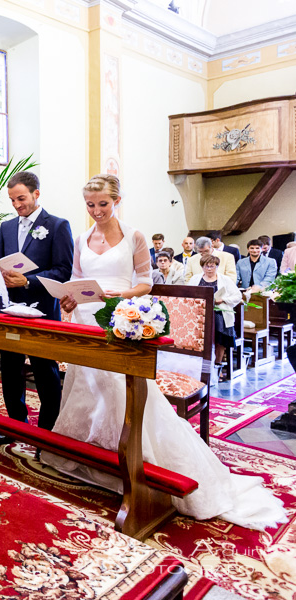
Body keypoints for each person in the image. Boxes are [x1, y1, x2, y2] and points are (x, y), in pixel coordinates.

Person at [42, 174, 285, 530]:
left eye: (103, 204)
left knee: (120, 391)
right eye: (90, 205)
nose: (96, 212)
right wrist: (69, 295)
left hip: (120, 318)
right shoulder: (81, 238)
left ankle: (135, 459)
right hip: (85, 317)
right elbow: (78, 278)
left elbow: (146, 281)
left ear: (117, 200)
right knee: (86, 388)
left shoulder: (134, 236)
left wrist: (118, 299)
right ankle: (91, 454)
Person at [0, 171, 73, 434]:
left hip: (43, 312)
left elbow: (63, 271)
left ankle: (48, 431)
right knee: (10, 371)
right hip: (10, 309)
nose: (16, 205)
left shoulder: (58, 226)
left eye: (21, 198)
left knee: (45, 372)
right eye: (12, 200)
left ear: (36, 194)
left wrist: (27, 281)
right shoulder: (6, 227)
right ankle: (15, 425)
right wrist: (0, 278)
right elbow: (0, 265)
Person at [189, 254, 241, 366]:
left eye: (212, 266)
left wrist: (223, 299)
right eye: (206, 266)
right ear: (202, 267)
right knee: (200, 341)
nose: (209, 269)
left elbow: (237, 296)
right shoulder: (195, 278)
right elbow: (189, 293)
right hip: (200, 313)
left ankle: (217, 365)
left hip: (219, 314)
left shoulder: (225, 279)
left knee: (219, 341)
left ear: (217, 266)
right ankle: (202, 366)